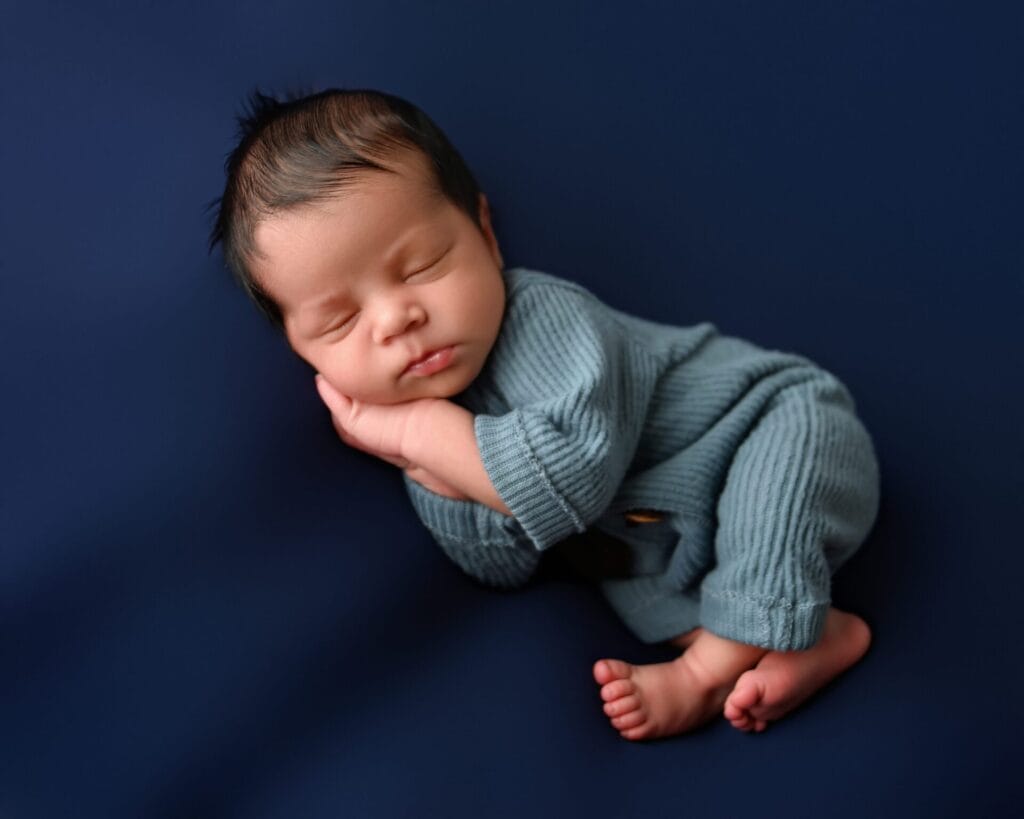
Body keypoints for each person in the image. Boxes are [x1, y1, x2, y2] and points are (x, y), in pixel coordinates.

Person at [208, 88, 881, 740]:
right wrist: (425, 464)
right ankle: (808, 636)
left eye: (421, 265)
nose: (396, 318)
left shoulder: (545, 319)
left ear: (485, 234)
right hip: (673, 534)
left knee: (765, 494)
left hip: (778, 430)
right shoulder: (426, 431)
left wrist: (422, 433)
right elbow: (502, 563)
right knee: (625, 573)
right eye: (342, 319)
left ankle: (707, 672)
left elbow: (575, 479)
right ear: (305, 355)